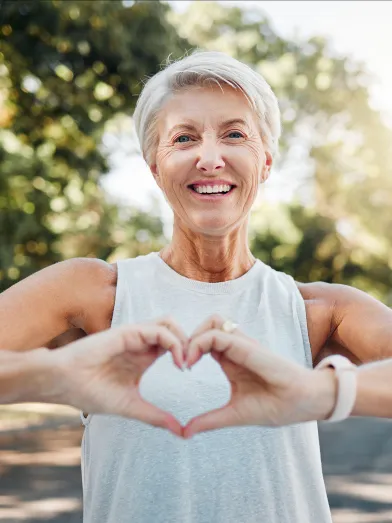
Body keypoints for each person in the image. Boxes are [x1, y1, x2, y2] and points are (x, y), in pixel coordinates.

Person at [1, 50, 392, 522]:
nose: (210, 158)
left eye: (234, 134)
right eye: (184, 138)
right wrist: (53, 375)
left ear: (265, 161)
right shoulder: (93, 293)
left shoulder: (320, 310)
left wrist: (317, 391)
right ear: (155, 169)